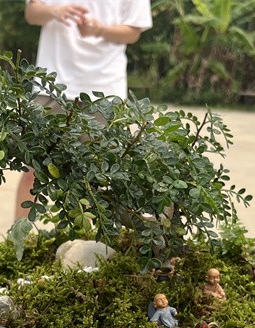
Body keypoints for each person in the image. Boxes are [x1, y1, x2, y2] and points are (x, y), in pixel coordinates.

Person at [14, 0, 152, 220]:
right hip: (51, 83)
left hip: (104, 88)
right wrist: (54, 11)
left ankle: (85, 239)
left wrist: (100, 29)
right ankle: (18, 236)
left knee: (95, 175)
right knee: (34, 168)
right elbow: (32, 13)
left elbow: (133, 32)